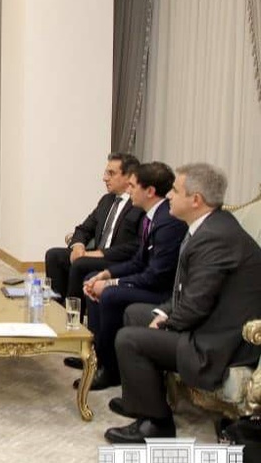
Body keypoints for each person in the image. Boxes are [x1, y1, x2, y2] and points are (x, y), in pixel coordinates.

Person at [104, 163, 261, 443]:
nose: (169, 196)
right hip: (207, 323)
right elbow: (184, 293)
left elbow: (196, 304)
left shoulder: (215, 237)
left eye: (175, 191)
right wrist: (162, 312)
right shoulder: (208, 227)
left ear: (195, 200)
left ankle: (157, 425)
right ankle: (143, 400)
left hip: (218, 342)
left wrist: (166, 323)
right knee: (135, 314)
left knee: (129, 339)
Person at [69, 162, 187, 389]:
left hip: (162, 291)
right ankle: (96, 353)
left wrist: (112, 283)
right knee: (93, 278)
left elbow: (156, 276)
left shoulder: (167, 223)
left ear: (149, 191)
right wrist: (105, 274)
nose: (129, 191)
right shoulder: (151, 216)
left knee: (110, 294)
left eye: (132, 186)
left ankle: (110, 370)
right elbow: (138, 261)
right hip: (149, 280)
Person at [44, 153, 143, 312]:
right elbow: (84, 229)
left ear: (129, 177)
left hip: (117, 260)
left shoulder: (138, 204)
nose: (104, 178)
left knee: (81, 263)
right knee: (54, 255)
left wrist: (92, 254)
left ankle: (72, 314)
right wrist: (78, 246)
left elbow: (135, 246)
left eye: (111, 173)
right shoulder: (106, 200)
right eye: (106, 173)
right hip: (94, 255)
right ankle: (56, 309)